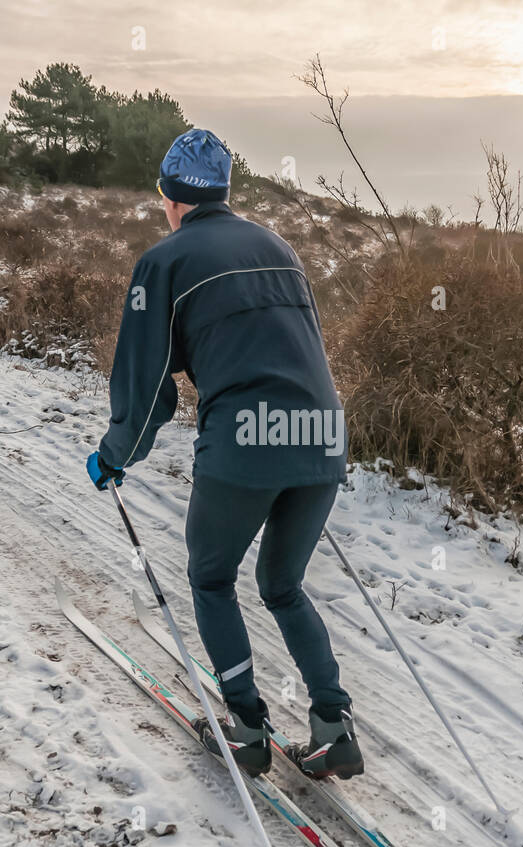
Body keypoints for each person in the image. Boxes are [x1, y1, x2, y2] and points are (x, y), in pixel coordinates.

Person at [85, 128, 362, 780]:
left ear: (170, 196)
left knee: (211, 576)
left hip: (246, 439)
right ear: (223, 192)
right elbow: (305, 344)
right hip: (320, 435)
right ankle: (333, 727)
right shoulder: (279, 246)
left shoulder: (165, 262)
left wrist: (115, 451)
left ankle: (245, 728)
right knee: (283, 585)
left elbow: (148, 383)